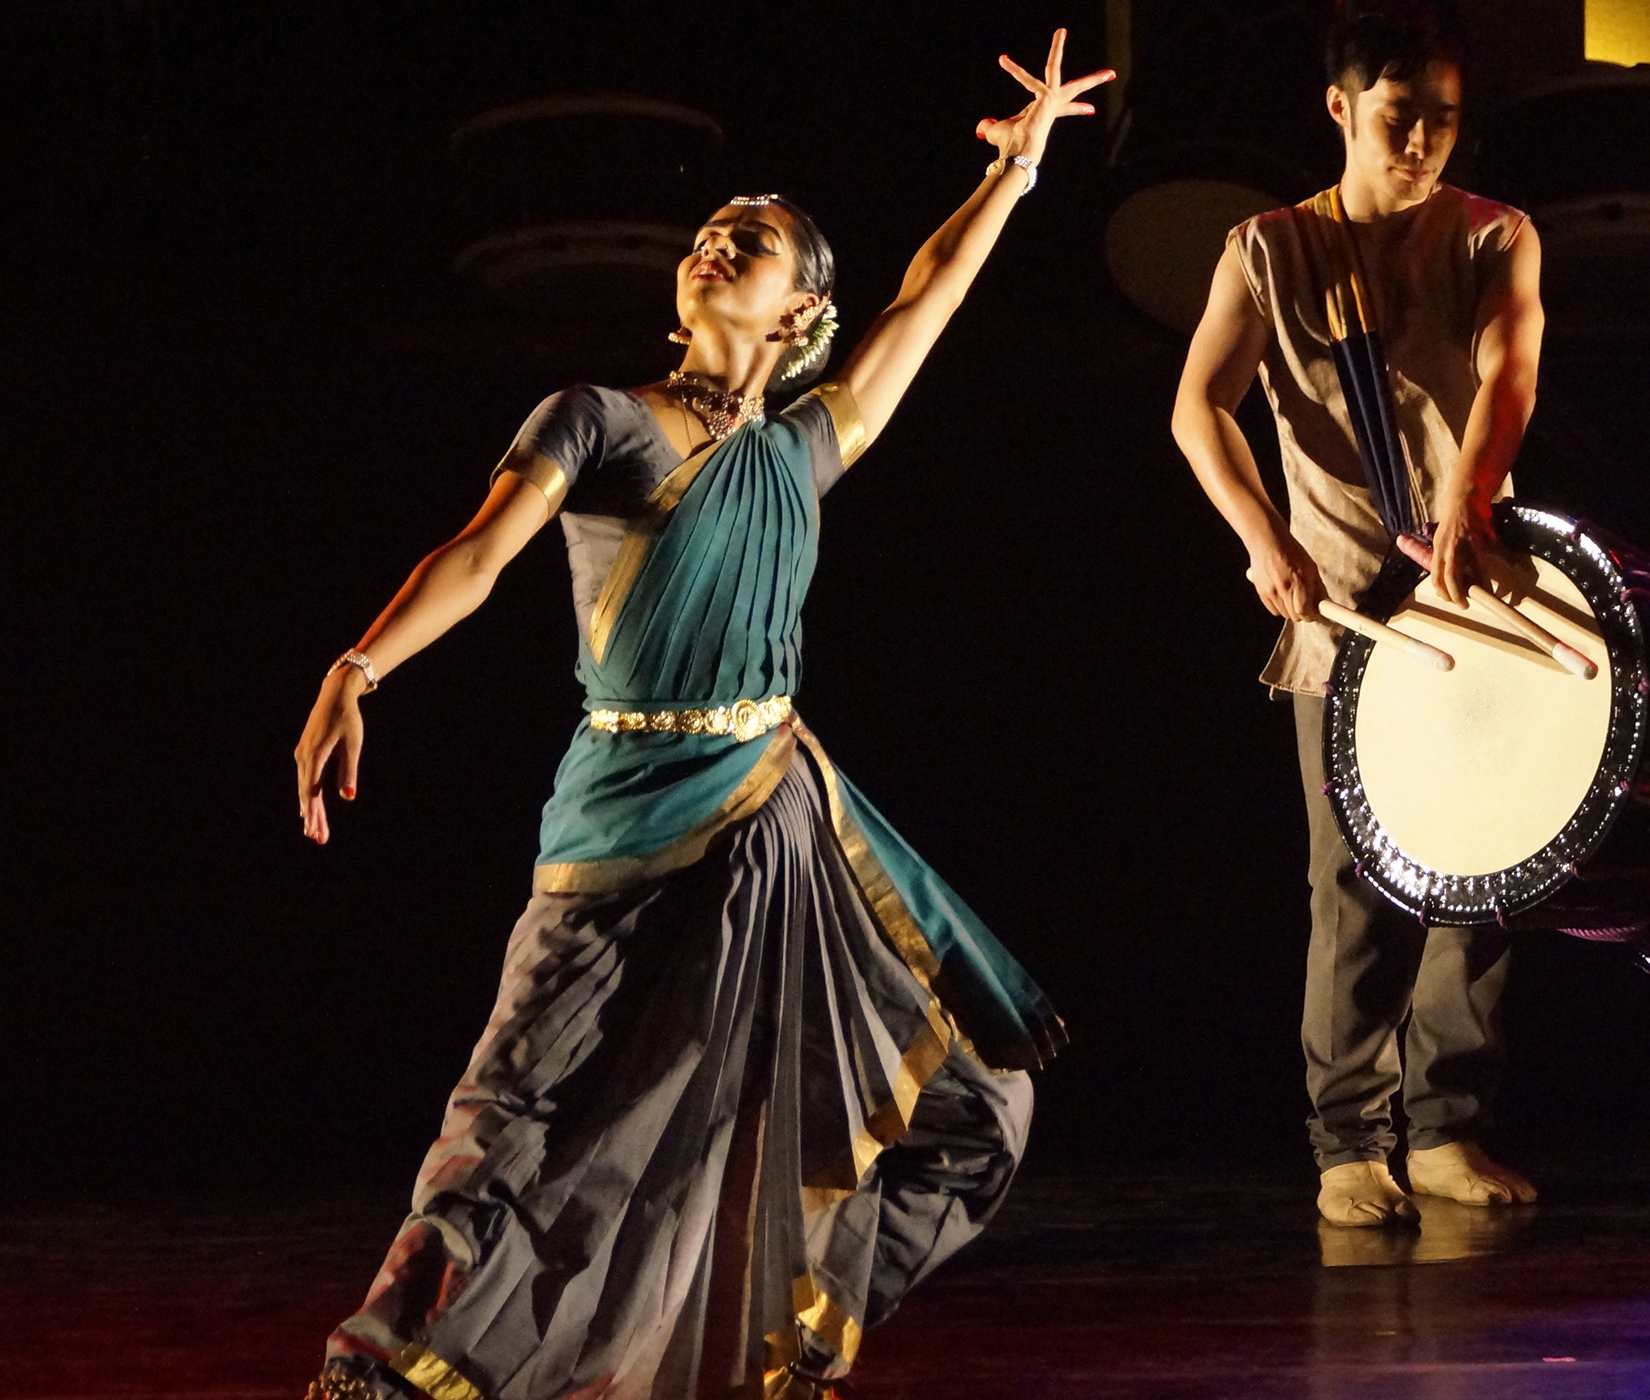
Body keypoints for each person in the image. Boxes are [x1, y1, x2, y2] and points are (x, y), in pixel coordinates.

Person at [289, 33, 1112, 1399]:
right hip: (624, 818)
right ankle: (383, 1369)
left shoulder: (805, 447)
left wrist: (1014, 179)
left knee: (980, 1105)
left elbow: (925, 299)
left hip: (781, 823)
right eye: (712, 230)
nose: (721, 242)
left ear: (799, 311)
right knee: (516, 1125)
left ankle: (770, 1336)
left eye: (759, 239)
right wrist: (361, 665)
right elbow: (483, 554)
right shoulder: (601, 417)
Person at [1170, 0, 1543, 1228]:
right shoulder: (1267, 250)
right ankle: (1348, 1138)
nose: (1423, 143)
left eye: (1442, 120)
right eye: (1399, 119)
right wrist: (1260, 538)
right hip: (1341, 609)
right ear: (1340, 108)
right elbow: (1199, 409)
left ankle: (1446, 1125)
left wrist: (1466, 504)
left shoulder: (1494, 238)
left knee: (1484, 866)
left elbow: (1507, 373)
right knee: (1360, 883)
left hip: (1466, 590)